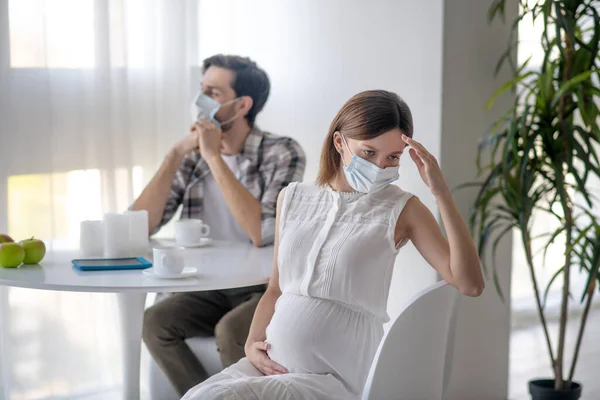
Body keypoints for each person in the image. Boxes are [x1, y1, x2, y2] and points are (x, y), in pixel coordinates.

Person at [182, 89, 485, 400]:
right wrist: (251, 344)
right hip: (270, 366)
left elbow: (470, 284)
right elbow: (276, 288)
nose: (380, 167)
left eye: (392, 157)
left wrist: (441, 193)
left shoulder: (402, 209)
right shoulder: (294, 197)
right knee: (197, 396)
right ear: (340, 142)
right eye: (369, 153)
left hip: (335, 376)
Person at [132, 54, 305, 396]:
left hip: (261, 287)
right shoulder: (192, 156)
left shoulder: (282, 152)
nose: (201, 102)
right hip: (206, 287)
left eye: (213, 92)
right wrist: (174, 155)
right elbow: (139, 225)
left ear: (242, 105)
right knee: (155, 322)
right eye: (201, 90)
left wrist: (215, 157)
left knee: (231, 332)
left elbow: (261, 232)